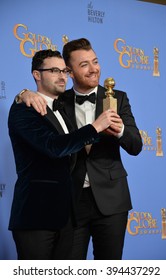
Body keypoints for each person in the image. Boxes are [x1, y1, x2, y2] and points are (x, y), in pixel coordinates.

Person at [17, 38, 143, 260]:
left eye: (95, 61)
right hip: (71, 203)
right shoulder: (59, 98)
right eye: (84, 65)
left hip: (112, 199)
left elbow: (136, 145)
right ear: (70, 72)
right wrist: (24, 93)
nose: (94, 69)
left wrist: (121, 129)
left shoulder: (117, 98)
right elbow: (40, 95)